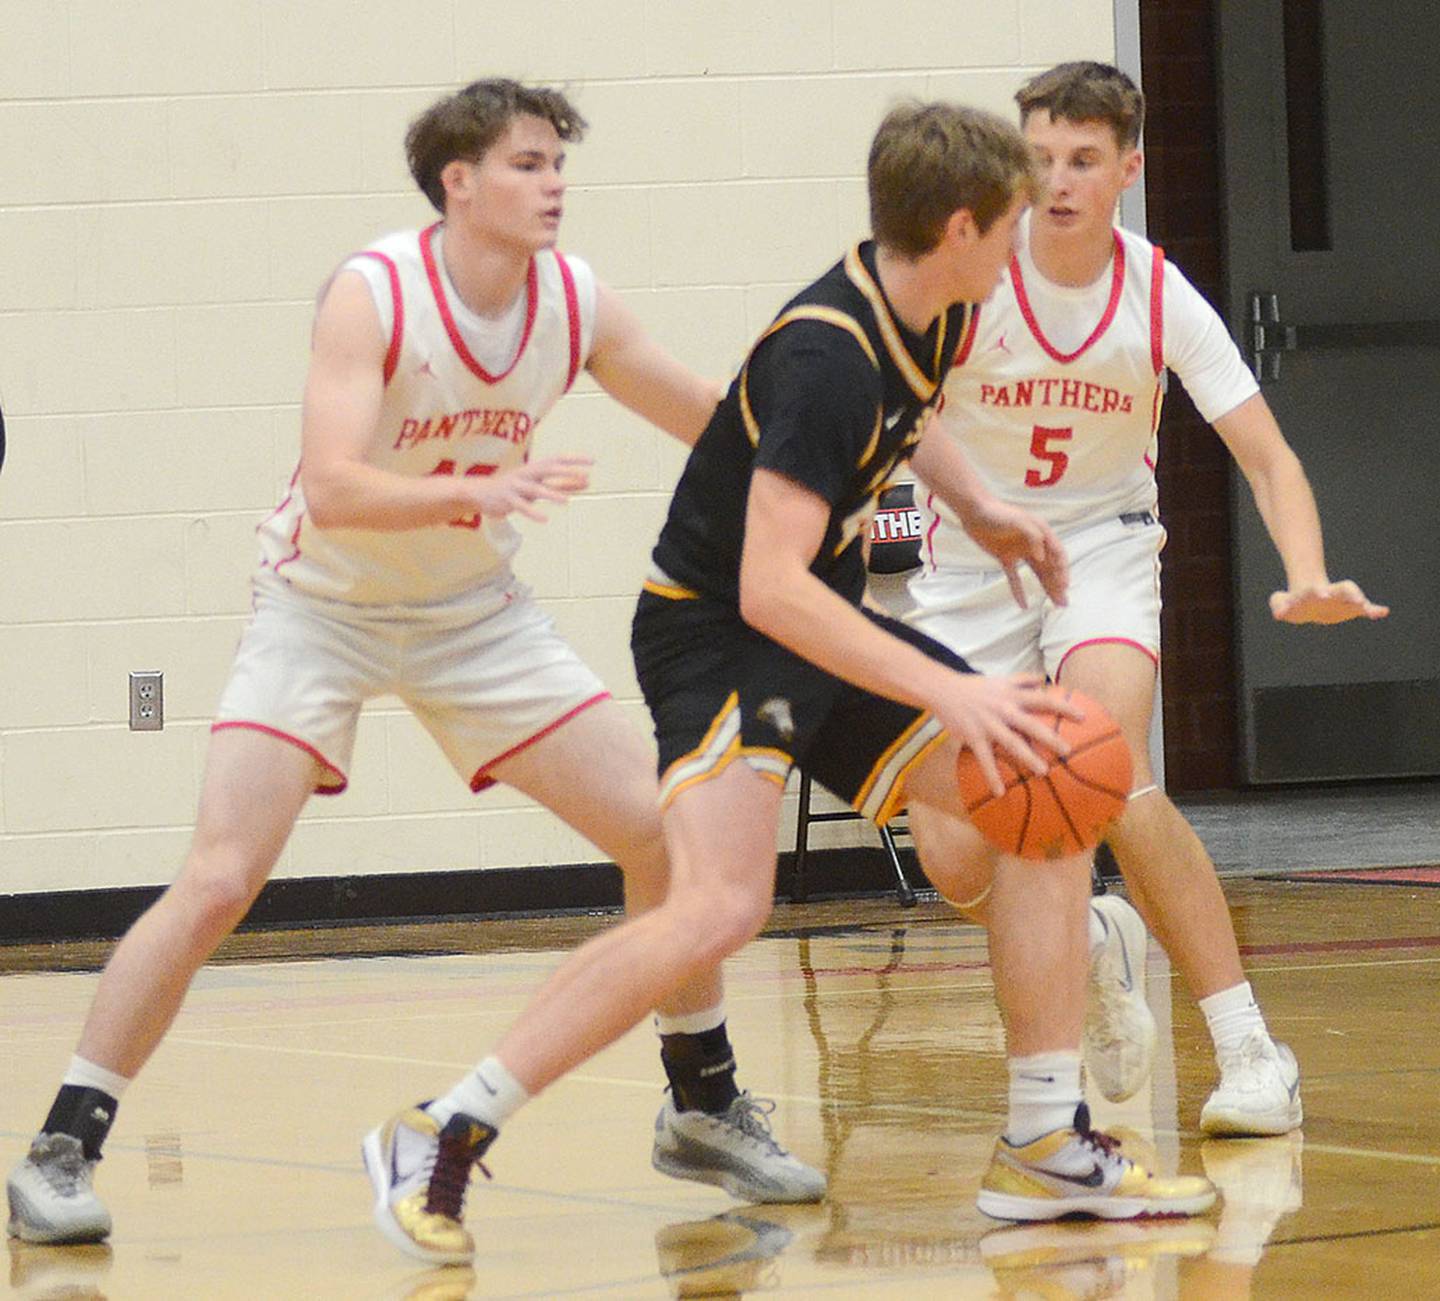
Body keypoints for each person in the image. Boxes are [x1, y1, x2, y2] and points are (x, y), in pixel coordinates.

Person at [362, 99, 1215, 1268]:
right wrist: (952, 687)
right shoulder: (826, 356)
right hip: (723, 640)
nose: (1028, 241)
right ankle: (441, 1126)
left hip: (818, 625)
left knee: (1046, 780)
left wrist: (984, 506)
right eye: (1012, 221)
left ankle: (1043, 1139)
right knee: (720, 904)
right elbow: (769, 588)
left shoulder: (932, 300)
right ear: (962, 226)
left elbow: (908, 427)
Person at [5, 78, 824, 1247]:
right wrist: (474, 487)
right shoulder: (375, 293)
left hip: (473, 617)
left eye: (557, 164)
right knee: (222, 875)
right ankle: (61, 1145)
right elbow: (333, 483)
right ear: (460, 182)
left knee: (662, 831)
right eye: (530, 163)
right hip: (318, 608)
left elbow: (704, 414)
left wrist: (825, 442)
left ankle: (700, 1101)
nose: (554, 184)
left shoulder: (573, 298)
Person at [905, 62, 1388, 1133]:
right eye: (1038, 159)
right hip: (972, 559)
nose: (1059, 180)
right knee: (951, 849)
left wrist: (1305, 572)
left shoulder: (1159, 292)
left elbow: (1267, 458)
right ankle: (1090, 942)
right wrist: (961, 506)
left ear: (1130, 165)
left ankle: (1250, 1047)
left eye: (1083, 159)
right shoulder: (969, 276)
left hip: (1100, 546)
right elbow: (901, 410)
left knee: (1101, 773)